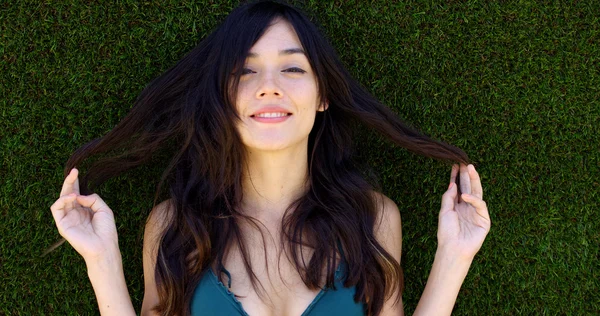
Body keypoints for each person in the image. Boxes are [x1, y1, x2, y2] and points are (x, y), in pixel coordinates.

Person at [49, 0, 491, 315]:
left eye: (293, 68)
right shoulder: (174, 226)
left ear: (322, 96)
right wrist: (101, 260)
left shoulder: (372, 218)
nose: (269, 85)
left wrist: (455, 256)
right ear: (223, 97)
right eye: (245, 70)